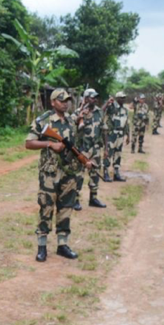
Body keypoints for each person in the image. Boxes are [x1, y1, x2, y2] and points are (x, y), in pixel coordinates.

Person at [25, 88, 91, 262]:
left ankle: (63, 245)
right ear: (53, 102)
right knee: (46, 208)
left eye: (67, 100)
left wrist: (86, 161)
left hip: (69, 172)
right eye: (61, 100)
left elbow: (75, 146)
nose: (65, 103)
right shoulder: (43, 121)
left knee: (66, 208)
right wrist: (49, 144)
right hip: (49, 173)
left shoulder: (71, 120)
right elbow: (29, 143)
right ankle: (42, 247)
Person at [72, 88, 107, 210]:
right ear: (86, 98)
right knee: (79, 175)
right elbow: (71, 127)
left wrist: (106, 148)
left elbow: (104, 130)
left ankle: (93, 198)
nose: (95, 99)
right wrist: (79, 117)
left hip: (96, 148)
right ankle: (75, 199)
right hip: (82, 148)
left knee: (95, 173)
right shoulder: (78, 112)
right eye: (92, 97)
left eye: (95, 97)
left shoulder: (99, 112)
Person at [103, 91, 130, 182]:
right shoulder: (111, 108)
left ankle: (116, 173)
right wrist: (107, 103)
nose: (123, 99)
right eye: (121, 98)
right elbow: (101, 111)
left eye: (124, 98)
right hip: (112, 134)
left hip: (121, 134)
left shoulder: (125, 110)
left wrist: (128, 135)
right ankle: (105, 172)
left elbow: (126, 123)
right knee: (108, 153)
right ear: (117, 98)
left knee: (118, 153)